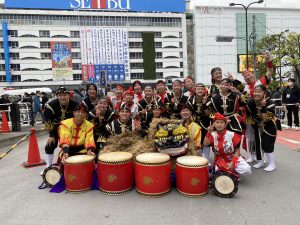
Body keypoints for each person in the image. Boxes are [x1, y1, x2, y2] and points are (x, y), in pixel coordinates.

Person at [43, 87, 78, 168]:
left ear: (69, 95)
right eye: (60, 95)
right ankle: (48, 166)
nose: (63, 97)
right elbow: (48, 121)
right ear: (57, 96)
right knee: (50, 145)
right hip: (55, 128)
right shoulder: (50, 105)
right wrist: (51, 135)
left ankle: (73, 164)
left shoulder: (75, 104)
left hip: (70, 129)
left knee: (72, 145)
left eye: (65, 95)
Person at [246, 85, 279, 171]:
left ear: (264, 93)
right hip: (257, 125)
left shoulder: (270, 103)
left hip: (269, 126)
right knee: (257, 144)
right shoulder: (251, 102)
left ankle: (272, 164)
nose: (256, 93)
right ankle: (260, 161)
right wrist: (250, 127)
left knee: (267, 143)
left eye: (259, 91)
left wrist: (264, 107)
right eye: (255, 91)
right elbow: (249, 114)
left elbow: (267, 119)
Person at [187, 83, 211, 161]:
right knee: (196, 140)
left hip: (206, 122)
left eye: (202, 89)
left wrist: (204, 103)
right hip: (194, 122)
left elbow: (209, 112)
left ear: (204, 90)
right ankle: (197, 158)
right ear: (195, 90)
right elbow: (189, 111)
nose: (200, 91)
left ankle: (206, 159)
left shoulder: (208, 99)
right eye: (198, 89)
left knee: (206, 140)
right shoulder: (190, 100)